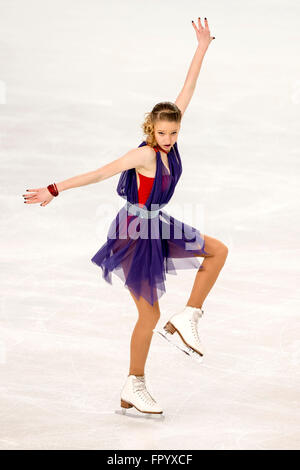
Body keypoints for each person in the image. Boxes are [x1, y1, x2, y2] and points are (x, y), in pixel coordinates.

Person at [22, 18, 227, 416]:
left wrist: (201, 48)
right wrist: (53, 188)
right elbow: (101, 172)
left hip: (158, 222)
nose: (168, 139)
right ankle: (135, 383)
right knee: (148, 313)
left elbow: (187, 90)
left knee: (217, 252)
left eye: (173, 134)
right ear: (152, 128)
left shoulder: (171, 133)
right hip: (134, 229)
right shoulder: (145, 153)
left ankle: (188, 317)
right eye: (162, 133)